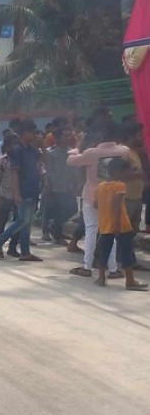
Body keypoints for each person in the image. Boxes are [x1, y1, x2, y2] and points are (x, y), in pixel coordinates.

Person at [66, 122, 129, 277]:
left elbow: (71, 162)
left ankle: (87, 267)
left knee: (91, 230)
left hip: (92, 195)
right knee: (110, 232)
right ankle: (113, 269)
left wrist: (77, 147)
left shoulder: (91, 152)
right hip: (113, 197)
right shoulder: (124, 151)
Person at [0, 119, 43, 262]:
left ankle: (25, 252)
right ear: (25, 133)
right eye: (32, 132)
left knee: (27, 223)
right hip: (23, 190)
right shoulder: (17, 151)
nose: (35, 135)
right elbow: (14, 173)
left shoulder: (32, 150)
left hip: (33, 190)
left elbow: (43, 159)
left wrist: (41, 145)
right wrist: (17, 193)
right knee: (22, 220)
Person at [94, 158, 148, 290]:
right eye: (127, 171)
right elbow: (118, 206)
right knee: (126, 252)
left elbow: (96, 204)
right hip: (121, 224)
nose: (129, 174)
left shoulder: (100, 186)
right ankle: (130, 280)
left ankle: (101, 277)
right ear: (119, 172)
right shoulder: (120, 186)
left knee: (104, 251)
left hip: (105, 224)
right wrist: (117, 223)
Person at [42, 126, 80, 244]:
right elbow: (44, 168)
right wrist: (47, 183)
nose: (68, 137)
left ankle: (55, 227)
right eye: (65, 135)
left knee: (72, 208)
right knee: (50, 210)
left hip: (68, 186)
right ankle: (53, 233)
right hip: (54, 186)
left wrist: (76, 184)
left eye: (70, 135)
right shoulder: (50, 152)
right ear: (57, 138)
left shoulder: (72, 152)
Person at [0, 139, 21, 257]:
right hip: (4, 194)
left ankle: (12, 247)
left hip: (17, 195)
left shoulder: (20, 160)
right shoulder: (1, 161)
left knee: (17, 222)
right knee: (2, 221)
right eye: (11, 145)